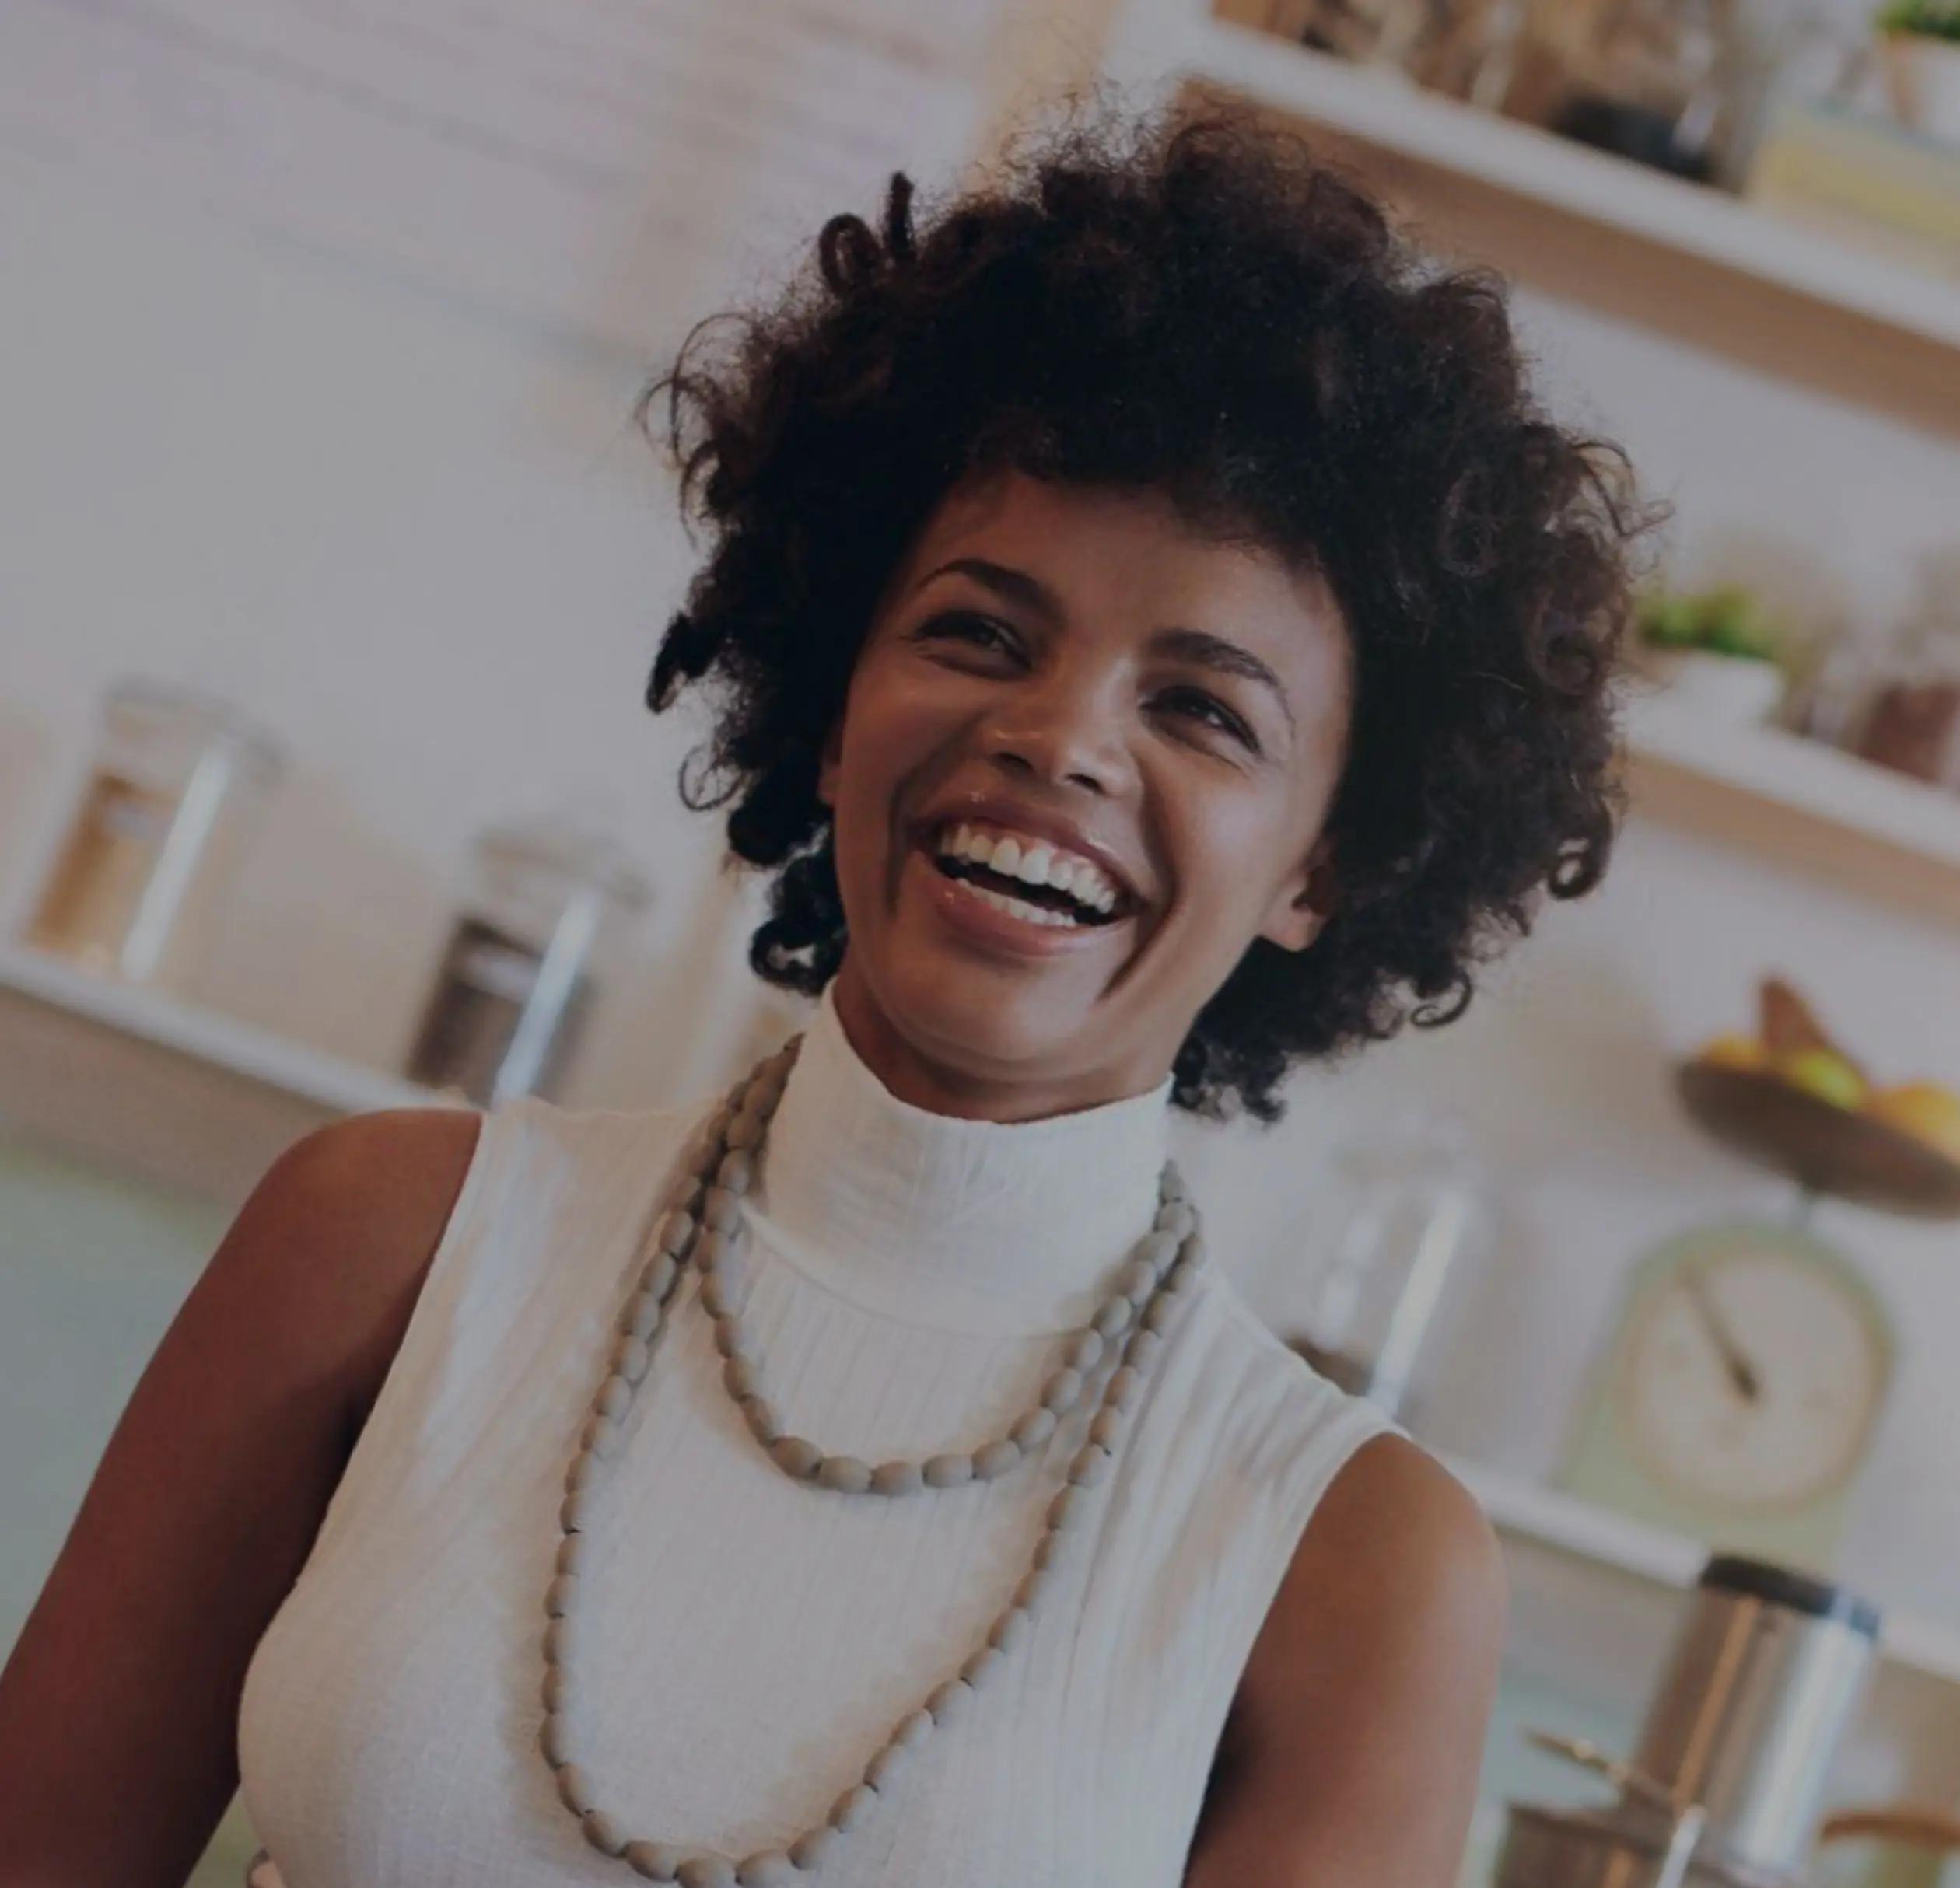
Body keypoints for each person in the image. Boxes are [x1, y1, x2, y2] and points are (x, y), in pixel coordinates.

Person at [0, 98, 1654, 1888]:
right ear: (834, 678)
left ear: (1331, 864)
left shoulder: (1349, 1560)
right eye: (979, 631)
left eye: (1203, 707)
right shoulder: (387, 1241)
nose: (1057, 737)